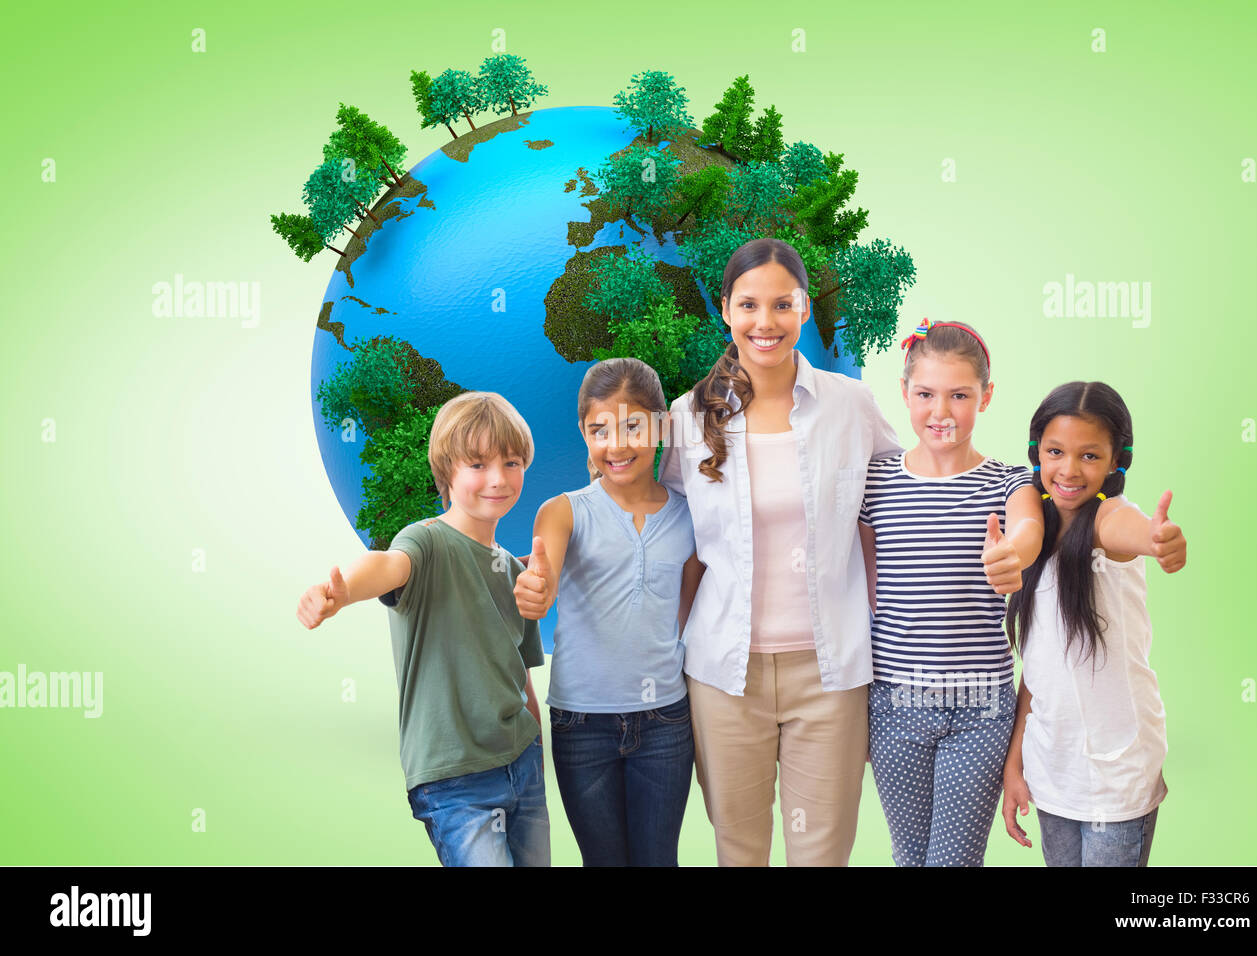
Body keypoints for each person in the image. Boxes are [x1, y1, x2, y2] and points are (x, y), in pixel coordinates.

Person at [658, 236, 903, 866]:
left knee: (821, 853)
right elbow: (675, 540)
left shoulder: (851, 406)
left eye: (782, 305)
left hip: (831, 672)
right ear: (725, 310)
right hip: (722, 672)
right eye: (748, 305)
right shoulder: (690, 416)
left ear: (804, 311)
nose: (764, 323)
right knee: (739, 850)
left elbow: (899, 508)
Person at [296, 391, 549, 867]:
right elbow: (387, 565)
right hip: (454, 781)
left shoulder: (516, 573)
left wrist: (534, 741)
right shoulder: (426, 542)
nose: (498, 479)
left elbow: (520, 673)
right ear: (447, 473)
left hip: (522, 764)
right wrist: (342, 592)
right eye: (478, 464)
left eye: (512, 462)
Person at [858, 318, 1044, 866]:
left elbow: (1028, 529)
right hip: (894, 704)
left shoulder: (1010, 481)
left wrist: (1013, 555)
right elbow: (859, 581)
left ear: (986, 397)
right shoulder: (876, 480)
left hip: (980, 709)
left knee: (953, 862)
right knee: (911, 858)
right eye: (926, 394)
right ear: (904, 393)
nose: (941, 411)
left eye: (960, 395)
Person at [513, 357, 698, 866]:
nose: (617, 445)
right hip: (580, 722)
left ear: (660, 425)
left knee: (658, 858)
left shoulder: (690, 515)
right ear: (584, 433)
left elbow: (691, 608)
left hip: (665, 720)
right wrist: (537, 588)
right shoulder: (564, 510)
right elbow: (542, 575)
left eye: (633, 426)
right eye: (600, 430)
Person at [1000, 381, 1185, 866]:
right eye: (1055, 451)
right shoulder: (1034, 533)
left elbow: (1132, 528)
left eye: (1090, 456)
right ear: (1035, 451)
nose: (1068, 469)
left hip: (1117, 774)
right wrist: (1015, 764)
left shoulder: (1109, 519)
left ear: (1115, 461)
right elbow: (1038, 672)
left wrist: (1157, 538)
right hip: (1053, 769)